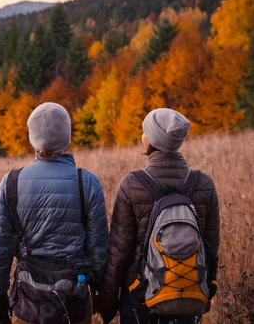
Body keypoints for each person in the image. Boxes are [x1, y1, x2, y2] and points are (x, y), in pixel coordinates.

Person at [94, 108, 220, 324]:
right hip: (190, 297)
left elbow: (119, 252)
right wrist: (207, 290)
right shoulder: (204, 184)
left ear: (150, 140)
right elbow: (211, 247)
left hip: (140, 299)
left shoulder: (132, 184)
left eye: (145, 132)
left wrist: (106, 301)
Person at [0, 102, 109, 324]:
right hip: (75, 299)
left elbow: (0, 248)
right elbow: (99, 249)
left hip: (28, 301)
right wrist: (101, 291)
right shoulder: (87, 182)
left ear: (32, 138)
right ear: (67, 137)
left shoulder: (10, 183)